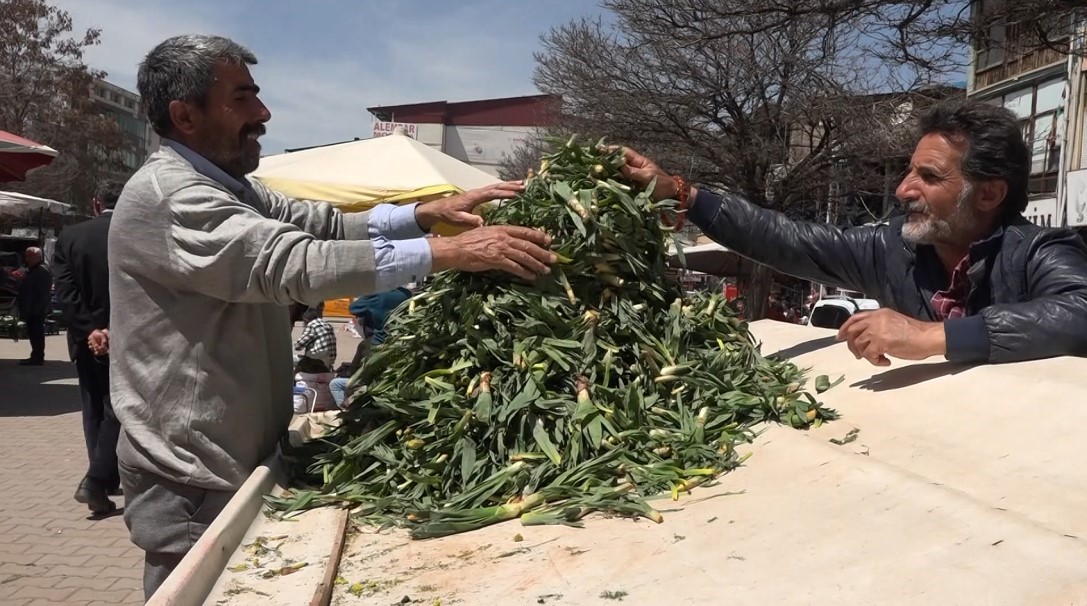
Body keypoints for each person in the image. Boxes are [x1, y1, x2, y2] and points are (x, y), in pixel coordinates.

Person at [109, 34, 556, 599]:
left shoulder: (231, 187)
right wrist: (447, 253)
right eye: (243, 98)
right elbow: (294, 261)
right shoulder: (175, 197)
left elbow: (315, 221)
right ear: (185, 115)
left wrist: (426, 214)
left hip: (236, 462)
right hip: (194, 475)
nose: (264, 114)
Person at [620, 98, 1087, 366]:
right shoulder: (892, 248)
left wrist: (931, 337)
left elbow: (1078, 312)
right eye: (908, 172)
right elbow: (788, 239)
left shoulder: (1040, 251)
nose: (903, 190)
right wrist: (684, 194)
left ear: (988, 195)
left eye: (929, 177)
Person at [54, 180, 124, 514]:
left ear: (96, 203)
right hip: (125, 335)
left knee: (93, 406)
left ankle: (101, 476)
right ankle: (98, 478)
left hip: (85, 341)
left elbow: (65, 293)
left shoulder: (69, 237)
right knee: (118, 407)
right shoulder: (132, 233)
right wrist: (110, 328)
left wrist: (89, 330)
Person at [15, 246, 52, 365]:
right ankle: (35, 355)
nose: (27, 259)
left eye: (30, 256)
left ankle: (37, 357)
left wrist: (38, 309)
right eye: (26, 256)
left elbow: (43, 293)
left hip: (36, 310)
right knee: (33, 333)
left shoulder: (42, 270)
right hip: (30, 309)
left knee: (37, 333)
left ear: (38, 257)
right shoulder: (32, 270)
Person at [293, 305, 336, 372]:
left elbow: (298, 347)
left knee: (290, 359)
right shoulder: (327, 324)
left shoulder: (312, 325)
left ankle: (291, 380)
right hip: (329, 361)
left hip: (316, 361)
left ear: (305, 320)